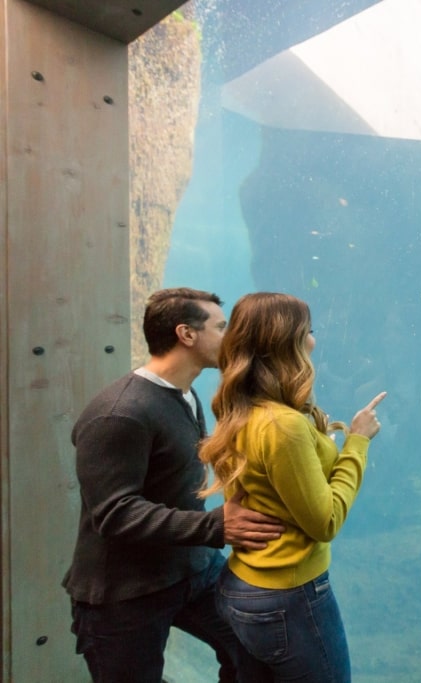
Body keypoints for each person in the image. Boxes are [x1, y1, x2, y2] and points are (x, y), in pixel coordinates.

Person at [63, 287, 287, 683]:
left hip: (191, 570)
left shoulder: (186, 394)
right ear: (187, 334)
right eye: (221, 327)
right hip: (123, 594)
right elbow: (116, 513)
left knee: (259, 657)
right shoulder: (119, 414)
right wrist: (216, 526)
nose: (231, 337)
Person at [198, 292, 386, 683]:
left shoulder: (240, 406)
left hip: (242, 584)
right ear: (286, 340)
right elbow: (326, 522)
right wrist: (358, 443)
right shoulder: (283, 425)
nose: (314, 340)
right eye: (309, 330)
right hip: (289, 599)